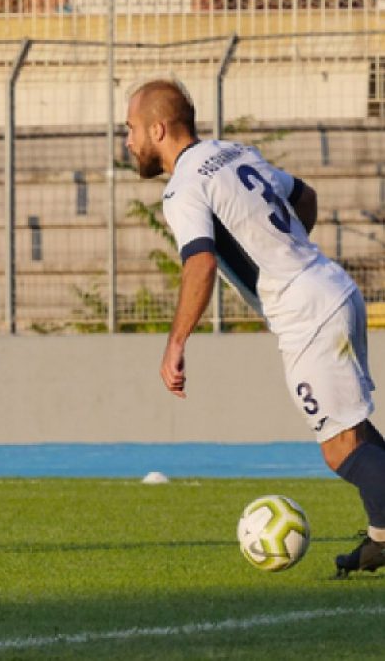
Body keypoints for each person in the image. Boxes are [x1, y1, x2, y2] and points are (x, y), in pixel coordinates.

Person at [125, 78, 385, 578]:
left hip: (305, 311)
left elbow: (199, 264)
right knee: (351, 427)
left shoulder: (182, 188)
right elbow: (304, 197)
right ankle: (381, 535)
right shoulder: (231, 152)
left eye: (132, 129)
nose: (128, 142)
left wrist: (175, 343)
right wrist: (281, 247)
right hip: (330, 285)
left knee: (339, 449)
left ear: (158, 129)